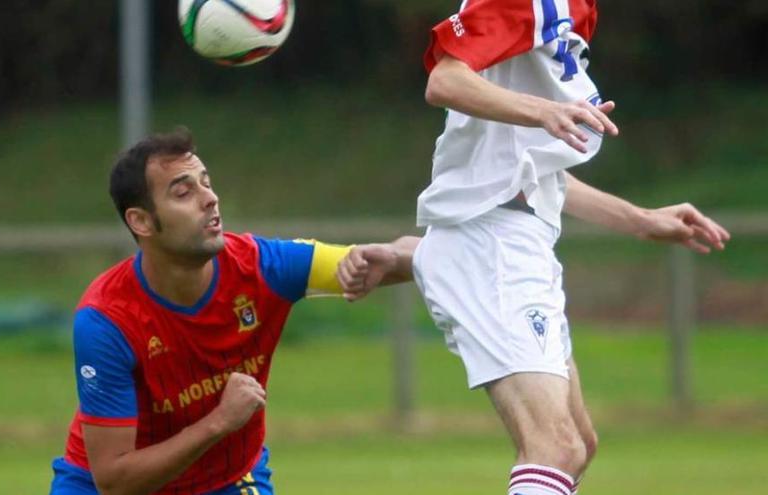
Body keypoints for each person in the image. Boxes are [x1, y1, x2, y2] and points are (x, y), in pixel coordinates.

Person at [344, 1, 731, 495]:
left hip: (518, 240)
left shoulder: (578, 9)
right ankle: (432, 255)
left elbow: (534, 168)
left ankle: (423, 256)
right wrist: (544, 111)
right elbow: (445, 80)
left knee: (578, 445)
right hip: (493, 243)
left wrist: (640, 220)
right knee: (555, 447)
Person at [48, 127, 418, 495]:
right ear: (141, 221)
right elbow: (114, 480)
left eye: (206, 182)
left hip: (225, 481)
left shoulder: (263, 267)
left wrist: (395, 256)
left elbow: (401, 256)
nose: (210, 198)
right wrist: (218, 422)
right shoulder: (107, 319)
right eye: (184, 191)